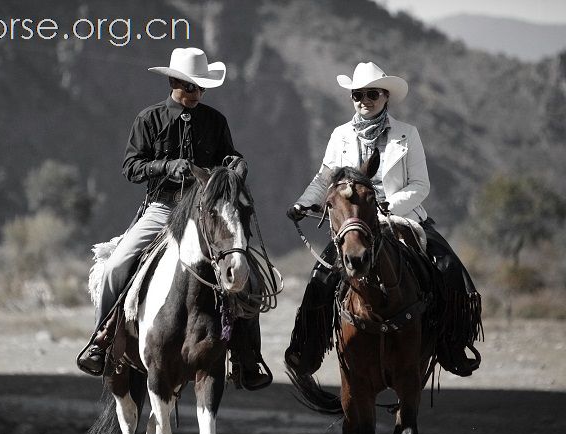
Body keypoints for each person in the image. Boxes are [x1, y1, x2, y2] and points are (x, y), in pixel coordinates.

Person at [77, 47, 271, 390]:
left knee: (248, 274)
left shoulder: (215, 120)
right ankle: (102, 339)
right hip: (163, 209)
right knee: (116, 266)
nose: (198, 94)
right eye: (192, 87)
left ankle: (247, 357)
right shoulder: (148, 119)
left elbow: (231, 154)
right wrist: (166, 167)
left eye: (202, 88)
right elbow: (131, 167)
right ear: (173, 82)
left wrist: (237, 164)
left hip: (206, 211)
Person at [285, 61, 481, 377]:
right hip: (354, 219)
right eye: (358, 94)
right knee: (319, 279)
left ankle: (453, 344)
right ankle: (307, 350)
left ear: (385, 96)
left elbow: (420, 185)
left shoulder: (408, 134)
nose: (365, 100)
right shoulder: (340, 135)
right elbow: (324, 178)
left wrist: (389, 205)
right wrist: (303, 203)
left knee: (450, 268)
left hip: (400, 215)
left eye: (372, 93)